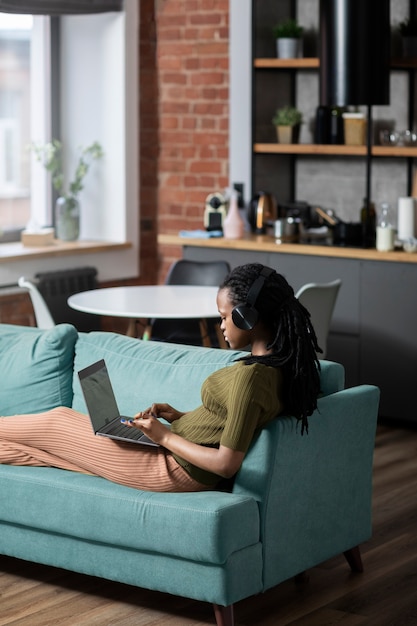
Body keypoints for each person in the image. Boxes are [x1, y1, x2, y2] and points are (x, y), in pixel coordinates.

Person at [0, 263, 321, 493]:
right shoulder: (278, 368)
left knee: (57, 420)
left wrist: (164, 437)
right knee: (43, 453)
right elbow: (226, 421)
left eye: (224, 317)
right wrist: (176, 417)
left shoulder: (253, 378)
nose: (221, 326)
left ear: (247, 317)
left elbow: (226, 464)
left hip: (169, 466)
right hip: (168, 452)